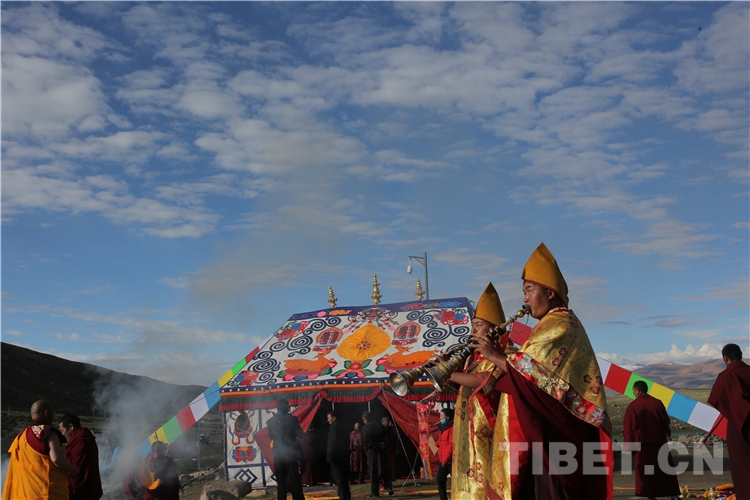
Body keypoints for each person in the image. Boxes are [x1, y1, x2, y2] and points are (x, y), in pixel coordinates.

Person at [473, 243, 611, 499]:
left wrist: (494, 357)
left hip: (555, 438)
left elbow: (533, 377)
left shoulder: (560, 325)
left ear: (550, 292)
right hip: (542, 438)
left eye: (529, 290)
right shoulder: (551, 324)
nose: (525, 299)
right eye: (524, 292)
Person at [445, 283, 505, 500]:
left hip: (487, 432)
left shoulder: (503, 353)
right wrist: (446, 370)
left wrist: (448, 373)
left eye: (478, 325)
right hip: (466, 430)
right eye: (473, 325)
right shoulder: (471, 357)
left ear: (494, 329)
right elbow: (464, 385)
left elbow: (483, 381)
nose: (473, 330)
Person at [2, 400, 78, 500]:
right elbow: (56, 459)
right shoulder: (47, 433)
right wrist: (72, 469)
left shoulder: (21, 436)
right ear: (47, 413)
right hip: (47, 494)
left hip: (25, 494)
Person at [623, 381, 680, 500]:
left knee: (647, 473)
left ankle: (651, 496)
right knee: (665, 471)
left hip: (643, 446)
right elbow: (665, 421)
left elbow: (629, 427)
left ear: (637, 391)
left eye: (633, 391)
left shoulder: (634, 405)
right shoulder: (657, 403)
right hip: (660, 443)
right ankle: (673, 496)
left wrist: (630, 446)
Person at [707, 343, 750, 499]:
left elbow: (715, 398)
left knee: (742, 465)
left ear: (725, 358)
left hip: (739, 426)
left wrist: (732, 409)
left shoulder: (726, 376)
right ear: (741, 355)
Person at [267, 399, 306, 500]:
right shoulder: (292, 419)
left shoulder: (271, 421)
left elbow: (271, 436)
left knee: (281, 482)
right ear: (287, 408)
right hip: (290, 453)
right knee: (295, 480)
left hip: (278, 454)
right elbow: (300, 434)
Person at [59, 413, 103, 500]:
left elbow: (76, 465)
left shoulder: (82, 440)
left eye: (63, 430)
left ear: (71, 427)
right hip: (88, 485)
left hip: (82, 488)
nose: (63, 434)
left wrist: (59, 458)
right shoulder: (82, 438)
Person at [360, 412, 393, 498]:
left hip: (372, 452)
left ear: (364, 420)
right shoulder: (380, 425)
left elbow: (366, 441)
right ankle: (389, 487)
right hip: (382, 451)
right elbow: (388, 437)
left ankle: (375, 492)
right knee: (385, 469)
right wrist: (384, 444)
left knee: (374, 471)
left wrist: (376, 446)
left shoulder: (365, 428)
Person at [326, 410, 352, 500]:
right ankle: (347, 495)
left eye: (329, 418)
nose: (328, 420)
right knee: (344, 477)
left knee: (339, 477)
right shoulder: (343, 426)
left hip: (336, 457)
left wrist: (330, 455)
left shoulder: (334, 428)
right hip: (343, 455)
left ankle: (343, 496)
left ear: (334, 418)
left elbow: (333, 443)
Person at [436, 408, 454, 500]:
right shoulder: (441, 428)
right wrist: (433, 443)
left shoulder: (451, 429)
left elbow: (451, 446)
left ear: (447, 417)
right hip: (442, 459)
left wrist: (445, 460)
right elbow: (441, 442)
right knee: (440, 480)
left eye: (442, 416)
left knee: (455, 481)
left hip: (449, 461)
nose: (440, 418)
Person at [381, 415, 398, 480]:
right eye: (387, 421)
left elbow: (394, 439)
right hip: (384, 450)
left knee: (392, 465)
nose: (388, 423)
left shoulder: (391, 430)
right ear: (383, 422)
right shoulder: (381, 429)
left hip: (391, 449)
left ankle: (392, 478)